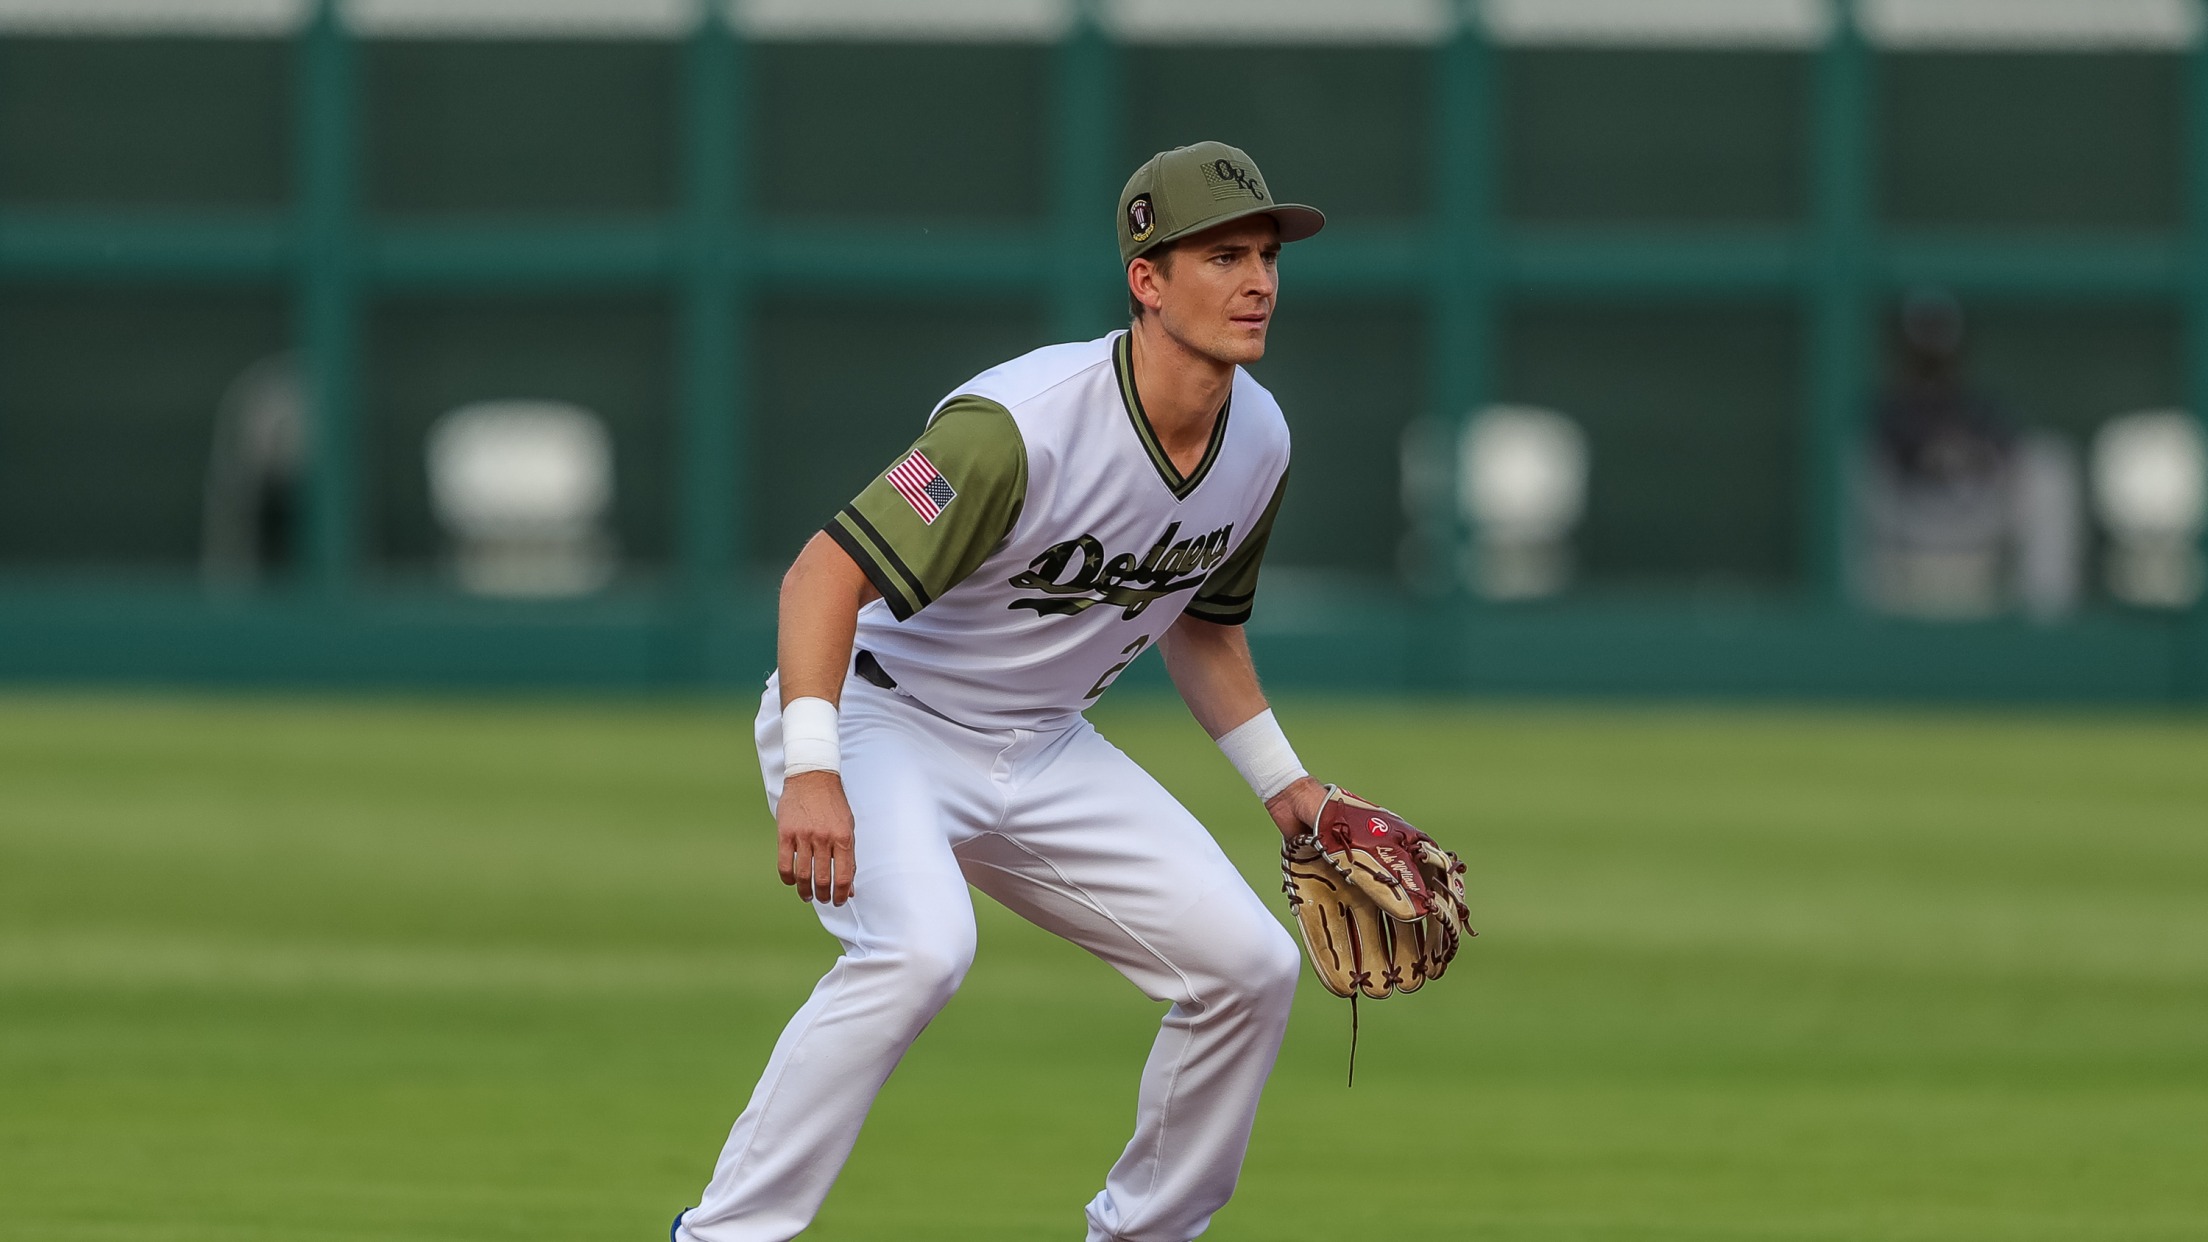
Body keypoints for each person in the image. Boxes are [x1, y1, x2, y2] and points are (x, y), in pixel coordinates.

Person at [672, 142, 1331, 1242]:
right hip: (879, 717)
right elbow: (820, 577)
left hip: (1038, 744)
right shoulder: (1017, 428)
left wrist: (1285, 785)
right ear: (1148, 278)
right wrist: (816, 769)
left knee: (1250, 969)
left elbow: (1203, 630)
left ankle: (1144, 1233)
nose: (1258, 279)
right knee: (920, 948)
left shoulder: (1258, 438)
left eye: (1266, 253)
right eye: (1222, 255)